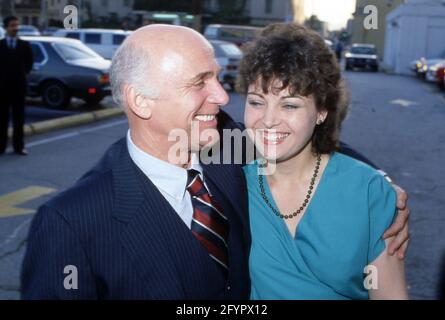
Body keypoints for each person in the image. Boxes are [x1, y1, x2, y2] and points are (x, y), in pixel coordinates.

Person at [21, 24, 409, 300]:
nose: (223, 97)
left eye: (219, 79)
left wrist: (380, 186)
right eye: (200, 83)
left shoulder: (225, 152)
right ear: (140, 101)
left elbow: (298, 139)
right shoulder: (70, 223)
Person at [238, 23, 409, 299]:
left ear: (322, 112)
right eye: (257, 102)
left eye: (290, 105)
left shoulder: (368, 192)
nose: (268, 121)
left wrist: (383, 187)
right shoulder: (231, 186)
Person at [0, 16, 33, 156]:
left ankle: (19, 147)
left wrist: (22, 74)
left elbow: (29, 64)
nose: (15, 28)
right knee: (2, 119)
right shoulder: (0, 45)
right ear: (6, 27)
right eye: (12, 25)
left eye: (17, 25)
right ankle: (1, 147)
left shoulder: (24, 45)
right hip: (2, 89)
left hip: (19, 88)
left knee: (19, 119)